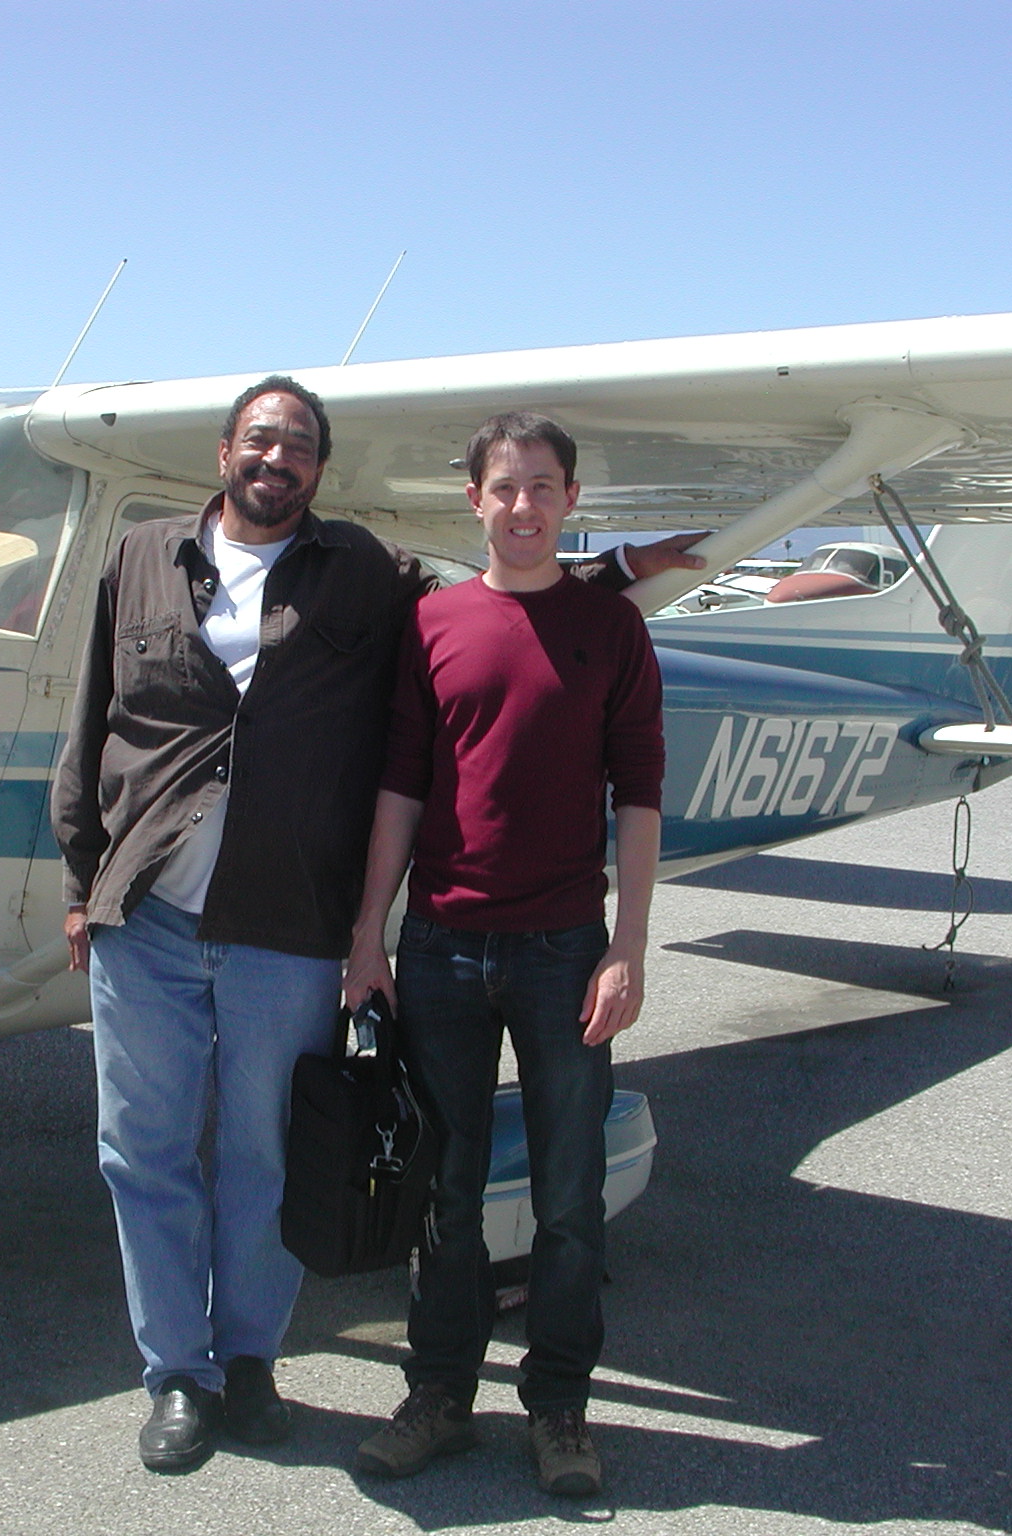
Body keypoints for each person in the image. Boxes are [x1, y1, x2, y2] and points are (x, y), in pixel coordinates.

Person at [52, 378, 698, 1473]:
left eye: (298, 445)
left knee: (270, 1153)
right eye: (260, 439)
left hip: (292, 919)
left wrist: (621, 570)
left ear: (317, 468)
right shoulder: (141, 557)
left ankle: (253, 1360)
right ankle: (178, 1374)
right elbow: (90, 715)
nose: (277, 458)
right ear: (224, 453)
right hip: (156, 913)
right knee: (145, 1154)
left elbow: (515, 592)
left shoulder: (361, 571)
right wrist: (84, 881)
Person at [343, 410, 665, 1499]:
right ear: (472, 500)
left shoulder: (610, 629)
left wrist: (625, 949)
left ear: (570, 500)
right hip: (437, 945)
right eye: (502, 487)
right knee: (444, 1187)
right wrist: (366, 940)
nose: (521, 506)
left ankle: (560, 1406)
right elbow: (400, 787)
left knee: (568, 1199)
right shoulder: (433, 622)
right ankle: (437, 1392)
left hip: (563, 949)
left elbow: (639, 799)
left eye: (541, 486)